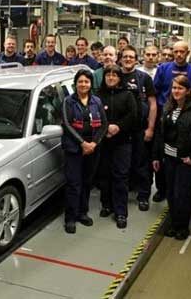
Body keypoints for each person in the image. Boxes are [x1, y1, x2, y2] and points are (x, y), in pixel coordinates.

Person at [152, 75, 191, 240]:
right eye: (174, 88)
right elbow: (160, 133)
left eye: (180, 88)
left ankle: (182, 226)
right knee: (171, 193)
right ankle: (174, 223)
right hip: (169, 158)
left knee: (182, 194)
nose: (176, 91)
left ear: (187, 91)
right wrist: (156, 156)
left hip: (186, 160)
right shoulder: (168, 107)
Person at [61, 69, 108, 234]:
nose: (83, 84)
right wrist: (82, 144)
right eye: (80, 81)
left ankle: (83, 213)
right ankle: (70, 218)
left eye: (86, 82)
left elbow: (104, 124)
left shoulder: (96, 101)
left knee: (87, 182)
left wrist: (94, 143)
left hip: (93, 149)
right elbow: (66, 124)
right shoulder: (68, 101)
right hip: (74, 149)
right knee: (74, 184)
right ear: (76, 84)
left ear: (90, 84)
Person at [96, 65, 137, 228]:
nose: (111, 78)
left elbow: (133, 116)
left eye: (114, 75)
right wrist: (106, 129)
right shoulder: (98, 95)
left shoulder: (127, 95)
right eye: (108, 75)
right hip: (103, 141)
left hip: (122, 142)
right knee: (104, 175)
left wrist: (118, 127)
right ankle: (107, 205)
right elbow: (95, 116)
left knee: (120, 176)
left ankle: (120, 212)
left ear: (119, 78)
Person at [121, 45, 157, 210]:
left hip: (140, 129)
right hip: (121, 131)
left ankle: (143, 195)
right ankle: (123, 193)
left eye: (131, 57)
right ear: (121, 59)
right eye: (125, 56)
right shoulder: (115, 76)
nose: (128, 59)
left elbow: (152, 103)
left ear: (136, 60)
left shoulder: (144, 78)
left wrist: (150, 128)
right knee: (122, 164)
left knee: (142, 163)